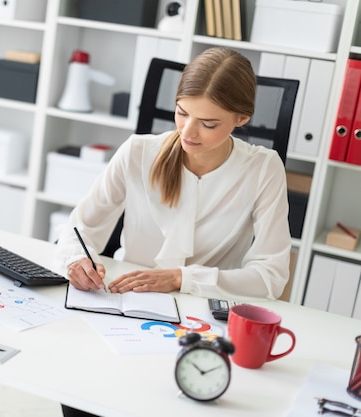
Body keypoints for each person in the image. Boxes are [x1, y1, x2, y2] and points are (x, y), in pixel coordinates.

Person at [54, 45, 291, 417]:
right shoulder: (138, 152)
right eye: (182, 113)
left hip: (204, 329)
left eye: (209, 123)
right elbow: (79, 227)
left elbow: (271, 276)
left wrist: (183, 278)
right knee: (81, 397)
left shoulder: (263, 169)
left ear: (241, 118)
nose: (188, 131)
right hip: (123, 309)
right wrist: (77, 260)